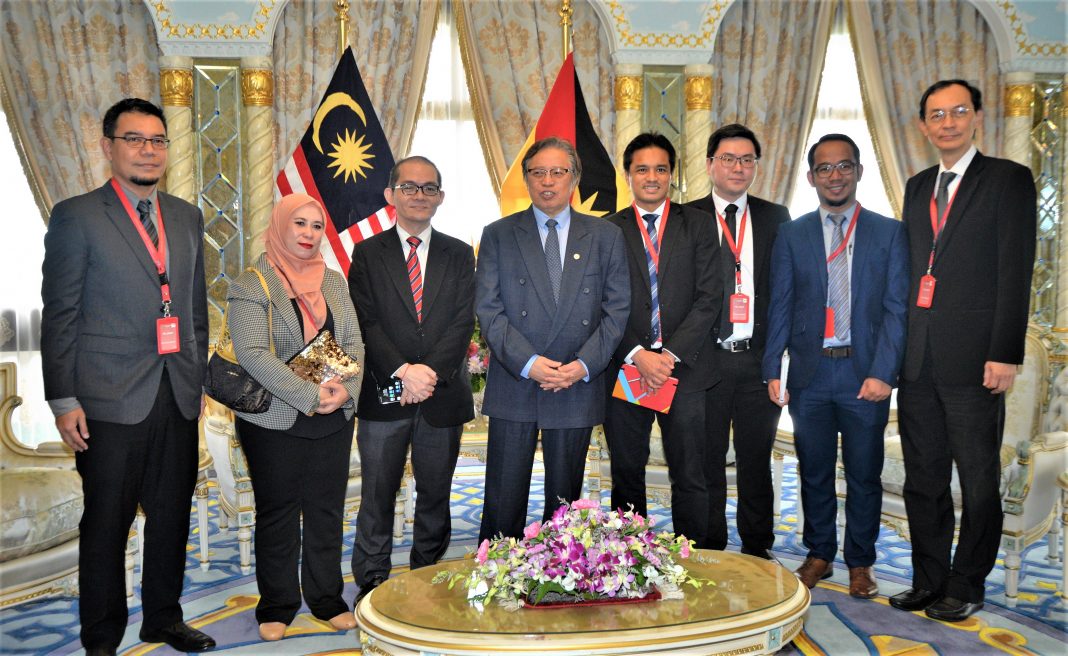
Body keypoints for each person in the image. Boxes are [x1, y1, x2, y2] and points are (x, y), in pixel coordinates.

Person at [40, 98, 214, 655]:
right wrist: (63, 399)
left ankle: (163, 619)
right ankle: (101, 636)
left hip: (176, 392)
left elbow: (194, 307)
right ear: (108, 147)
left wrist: (196, 377)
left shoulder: (185, 216)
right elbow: (60, 314)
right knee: (106, 525)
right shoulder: (77, 215)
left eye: (157, 140)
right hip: (106, 399)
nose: (148, 150)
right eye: (134, 139)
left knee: (171, 517)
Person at [890, 79, 1036, 622]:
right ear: (923, 125)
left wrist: (1005, 353)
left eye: (957, 111)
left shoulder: (1007, 179)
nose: (947, 122)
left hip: (977, 361)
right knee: (923, 478)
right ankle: (929, 580)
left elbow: (1015, 270)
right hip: (918, 361)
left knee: (977, 481)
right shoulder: (916, 186)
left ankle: (967, 582)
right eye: (936, 114)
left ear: (976, 116)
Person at [763, 134, 908, 597]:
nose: (835, 175)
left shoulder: (889, 232)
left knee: (864, 473)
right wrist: (772, 368)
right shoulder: (793, 233)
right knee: (814, 471)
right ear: (811, 178)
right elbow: (780, 305)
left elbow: (897, 309)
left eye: (844, 165)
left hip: (864, 373)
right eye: (824, 168)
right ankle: (820, 553)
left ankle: (861, 562)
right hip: (811, 374)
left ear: (859, 171)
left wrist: (884, 372)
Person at [475, 137, 629, 543]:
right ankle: (496, 571)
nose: (547, 181)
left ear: (574, 178)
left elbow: (616, 312)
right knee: (504, 498)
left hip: (574, 382)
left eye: (558, 172)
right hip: (516, 379)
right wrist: (529, 363)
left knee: (564, 503)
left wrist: (581, 366)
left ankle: (560, 571)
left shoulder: (605, 236)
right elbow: (488, 309)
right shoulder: (498, 234)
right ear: (526, 179)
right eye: (538, 172)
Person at [226, 193, 365, 641]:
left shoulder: (334, 281)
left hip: (333, 415)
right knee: (278, 513)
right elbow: (252, 354)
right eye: (299, 224)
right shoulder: (253, 283)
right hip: (274, 419)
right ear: (280, 226)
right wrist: (308, 394)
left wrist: (346, 391)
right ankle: (277, 606)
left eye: (316, 226)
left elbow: (355, 343)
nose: (308, 234)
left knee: (327, 511)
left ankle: (327, 600)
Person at [347, 156, 475, 604]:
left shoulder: (459, 253)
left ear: (440, 197)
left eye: (428, 188)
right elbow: (366, 321)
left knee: (436, 493)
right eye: (409, 187)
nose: (419, 195)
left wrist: (428, 374)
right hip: (384, 394)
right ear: (391, 195)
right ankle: (371, 580)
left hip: (442, 394)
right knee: (377, 493)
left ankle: (427, 575)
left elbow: (463, 322)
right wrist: (405, 371)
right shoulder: (367, 253)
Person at [603, 133, 721, 545]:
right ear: (628, 175)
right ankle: (628, 558)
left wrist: (667, 355)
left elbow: (709, 297)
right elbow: (602, 303)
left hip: (684, 368)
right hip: (628, 367)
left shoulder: (699, 224)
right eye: (642, 169)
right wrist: (638, 354)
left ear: (672, 174)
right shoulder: (607, 230)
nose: (651, 177)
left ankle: (695, 557)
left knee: (689, 472)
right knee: (626, 471)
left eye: (660, 169)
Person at [683, 124, 790, 556]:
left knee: (755, 459)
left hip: (757, 359)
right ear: (710, 164)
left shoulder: (775, 217)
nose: (738, 167)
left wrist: (780, 362)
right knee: (706, 458)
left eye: (747, 159)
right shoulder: (685, 217)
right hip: (705, 360)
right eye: (728, 158)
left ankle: (757, 546)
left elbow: (784, 291)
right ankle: (710, 544)